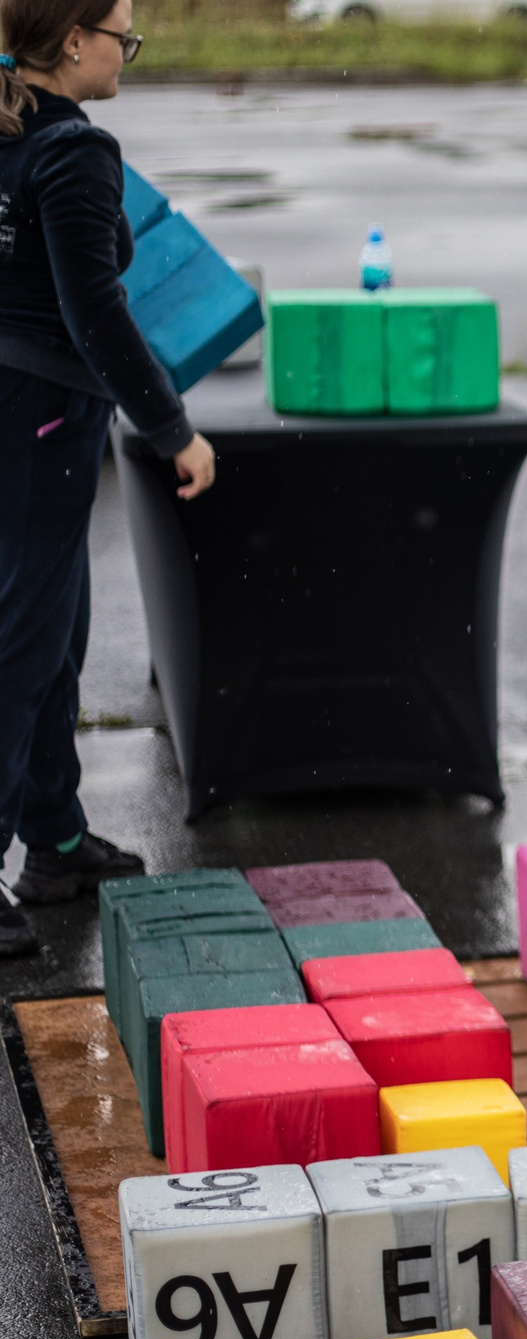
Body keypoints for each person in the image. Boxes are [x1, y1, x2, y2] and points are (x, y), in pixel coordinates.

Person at [0, 0, 205, 957]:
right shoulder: (77, 151)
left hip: (12, 408)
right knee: (23, 644)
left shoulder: (10, 129)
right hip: (43, 423)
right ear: (71, 42)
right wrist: (172, 429)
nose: (128, 50)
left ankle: (57, 839)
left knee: (55, 631)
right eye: (122, 32)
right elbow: (98, 316)